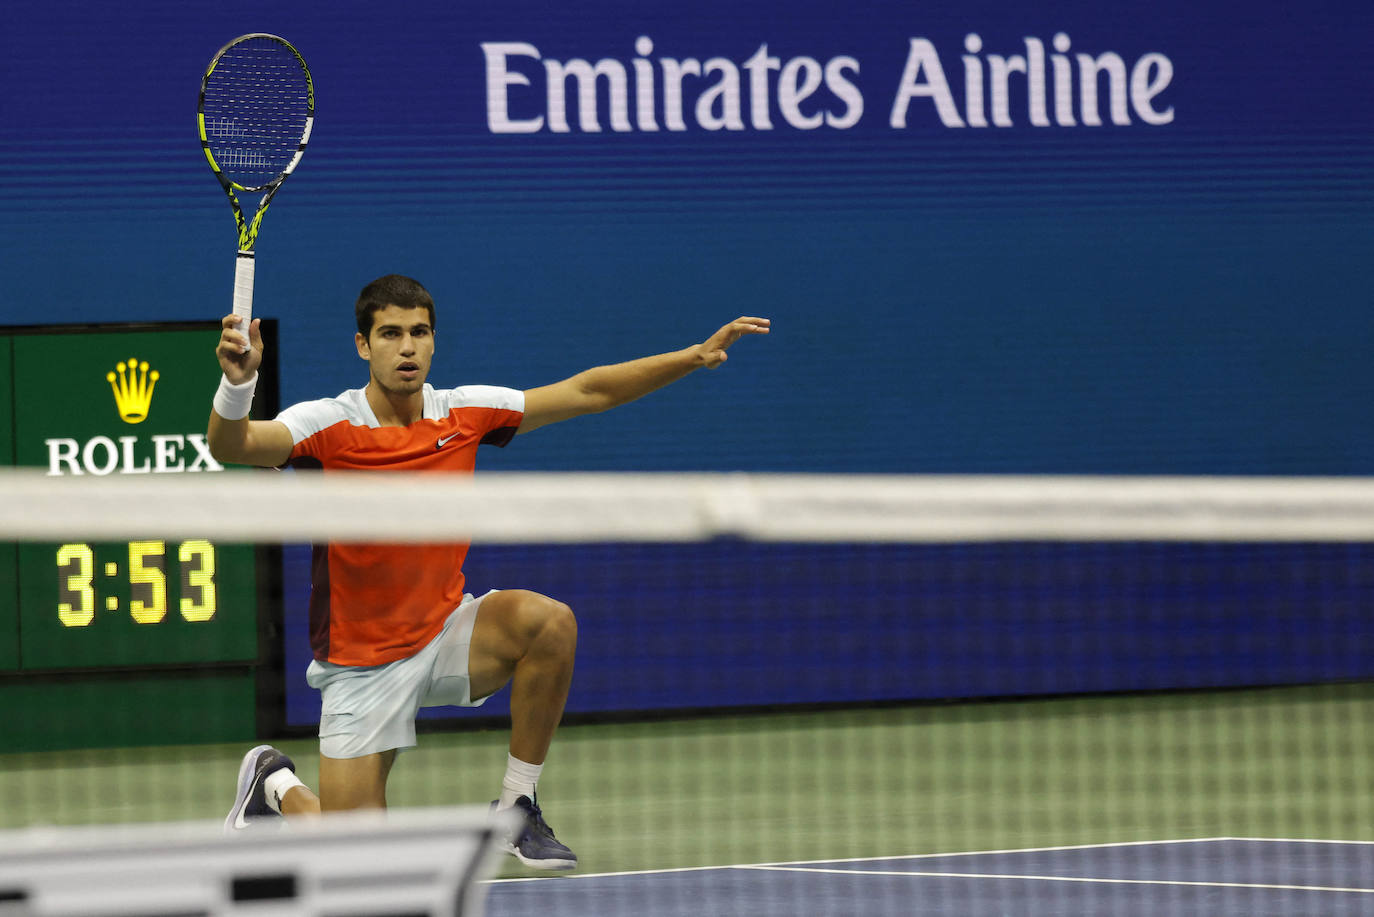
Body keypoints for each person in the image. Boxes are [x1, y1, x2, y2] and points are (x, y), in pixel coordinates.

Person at [211, 274, 769, 870]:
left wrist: (692, 357)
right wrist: (237, 384)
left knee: (548, 624)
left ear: (434, 341)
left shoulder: (467, 412)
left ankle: (516, 806)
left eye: (420, 332)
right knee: (356, 865)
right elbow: (234, 446)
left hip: (445, 632)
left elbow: (587, 392)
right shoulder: (325, 424)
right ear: (361, 345)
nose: (407, 347)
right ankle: (274, 783)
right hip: (361, 666)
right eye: (390, 333)